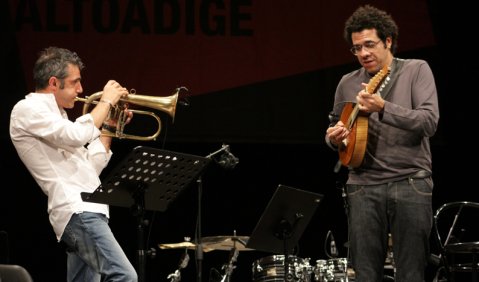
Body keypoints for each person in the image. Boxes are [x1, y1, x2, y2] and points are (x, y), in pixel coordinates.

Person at [325, 5, 439, 282]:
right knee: (365, 274)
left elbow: (428, 122)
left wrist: (383, 108)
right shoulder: (347, 83)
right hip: (362, 185)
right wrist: (332, 138)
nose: (363, 53)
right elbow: (336, 128)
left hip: (410, 181)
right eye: (356, 48)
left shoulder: (415, 70)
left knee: (411, 273)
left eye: (369, 45)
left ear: (388, 41)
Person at [9, 46, 138, 282]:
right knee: (124, 276)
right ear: (54, 83)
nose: (81, 90)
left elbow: (90, 167)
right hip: (77, 210)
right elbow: (76, 135)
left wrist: (108, 124)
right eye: (75, 82)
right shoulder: (27, 109)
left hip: (88, 208)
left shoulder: (58, 117)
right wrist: (107, 101)